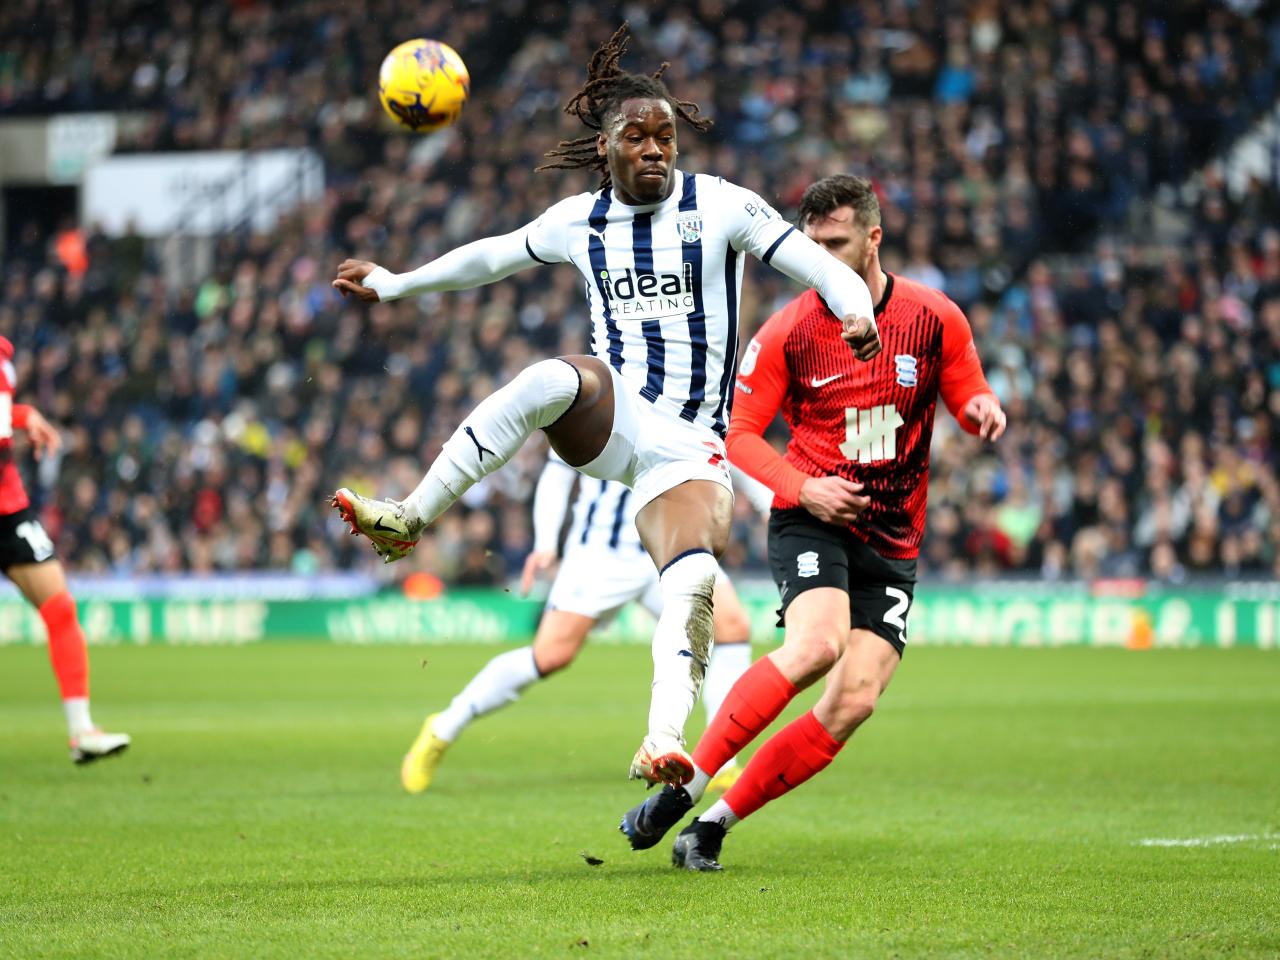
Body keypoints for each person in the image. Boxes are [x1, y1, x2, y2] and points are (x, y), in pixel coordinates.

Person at [329, 25, 881, 786]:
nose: (656, 149)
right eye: (638, 136)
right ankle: (410, 518)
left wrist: (857, 311)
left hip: (691, 447)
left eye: (666, 138)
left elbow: (821, 267)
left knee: (692, 583)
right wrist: (397, 283)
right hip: (616, 416)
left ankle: (662, 742)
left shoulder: (721, 207)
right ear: (606, 149)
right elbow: (489, 256)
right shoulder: (575, 222)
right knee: (554, 379)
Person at [619, 174, 1006, 869]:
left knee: (853, 701)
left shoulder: (932, 316)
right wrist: (805, 489)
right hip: (811, 520)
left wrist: (981, 408)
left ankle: (710, 825)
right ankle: (688, 781)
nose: (822, 255)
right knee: (815, 647)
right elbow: (738, 437)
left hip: (891, 539)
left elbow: (967, 387)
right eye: (812, 243)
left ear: (873, 239)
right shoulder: (789, 331)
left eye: (837, 241)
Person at [399, 453, 766, 795]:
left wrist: (767, 503)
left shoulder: (689, 387)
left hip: (671, 545)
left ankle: (721, 762)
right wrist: (546, 542)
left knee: (732, 626)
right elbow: (559, 470)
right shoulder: (602, 385)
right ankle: (442, 728)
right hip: (602, 554)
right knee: (550, 655)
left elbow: (723, 449)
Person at [0, 337, 130, 764]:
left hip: (8, 508)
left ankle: (82, 731)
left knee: (60, 610)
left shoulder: (3, 354)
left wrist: (21, 415)